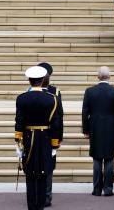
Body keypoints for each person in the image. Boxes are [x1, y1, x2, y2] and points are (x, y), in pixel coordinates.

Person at [15, 65, 61, 210]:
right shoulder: (52, 99)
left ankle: (31, 205)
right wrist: (54, 144)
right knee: (42, 173)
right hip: (45, 139)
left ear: (29, 80)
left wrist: (18, 141)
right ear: (42, 81)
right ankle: (40, 205)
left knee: (30, 174)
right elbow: (56, 123)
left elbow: (19, 121)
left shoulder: (22, 98)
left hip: (28, 138)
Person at [82, 66, 114, 197]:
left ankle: (96, 189)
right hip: (111, 127)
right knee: (110, 158)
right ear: (109, 76)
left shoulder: (90, 91)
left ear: (98, 76)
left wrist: (86, 129)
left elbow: (85, 112)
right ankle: (108, 189)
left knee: (96, 158)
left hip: (95, 126)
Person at [37, 62, 63, 208]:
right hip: (46, 135)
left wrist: (59, 137)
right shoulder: (53, 92)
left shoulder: (55, 91)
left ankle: (45, 196)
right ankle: (44, 195)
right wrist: (58, 137)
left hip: (43, 135)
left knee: (47, 167)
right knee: (44, 166)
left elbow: (59, 117)